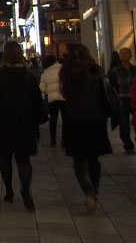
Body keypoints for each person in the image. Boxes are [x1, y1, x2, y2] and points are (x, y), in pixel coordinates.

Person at [0, 42, 46, 210]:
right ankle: (25, 190)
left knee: (5, 157)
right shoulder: (28, 76)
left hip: (2, 122)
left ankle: (8, 190)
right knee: (23, 159)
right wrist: (39, 120)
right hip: (24, 123)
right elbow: (37, 102)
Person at [60, 44, 114, 213]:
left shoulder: (67, 75)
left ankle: (88, 191)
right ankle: (94, 192)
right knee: (93, 159)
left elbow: (65, 95)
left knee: (79, 161)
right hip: (96, 120)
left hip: (74, 121)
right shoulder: (96, 73)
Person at [107, 47, 135, 154]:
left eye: (126, 53)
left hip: (134, 98)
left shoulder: (134, 70)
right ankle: (128, 145)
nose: (124, 55)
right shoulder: (115, 71)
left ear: (130, 55)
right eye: (122, 53)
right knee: (124, 123)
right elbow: (111, 87)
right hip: (122, 99)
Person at [39, 54, 65, 147]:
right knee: (65, 119)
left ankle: (53, 139)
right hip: (63, 97)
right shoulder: (62, 69)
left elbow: (42, 88)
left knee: (53, 119)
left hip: (52, 99)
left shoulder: (45, 74)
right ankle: (64, 139)